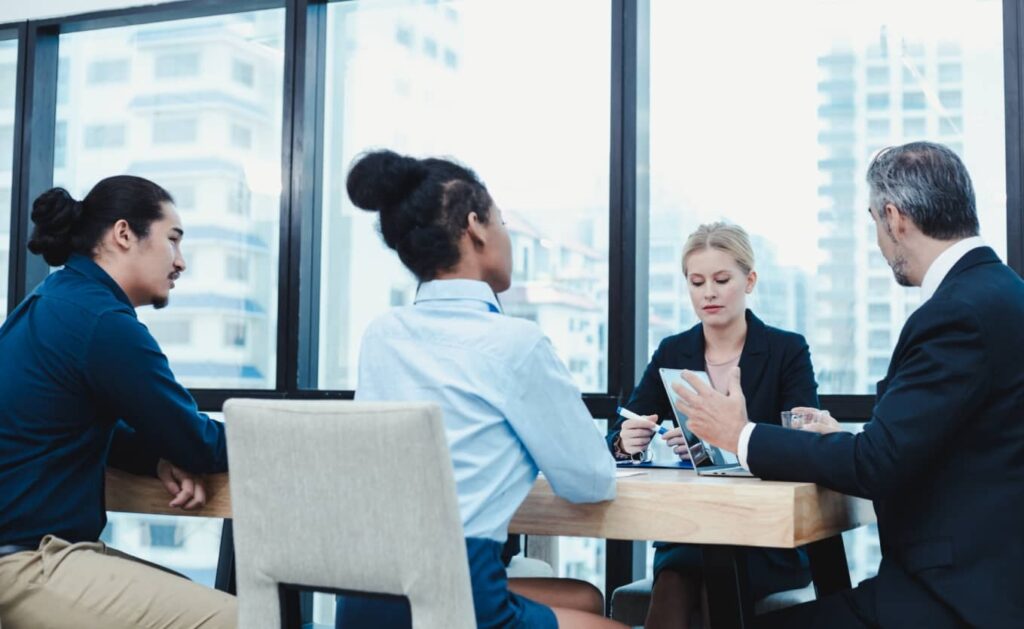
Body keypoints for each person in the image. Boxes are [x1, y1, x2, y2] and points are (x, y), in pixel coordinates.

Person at [675, 142, 1024, 628]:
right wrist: (845, 438)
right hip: (981, 581)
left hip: (952, 598)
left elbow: (877, 466)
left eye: (874, 223)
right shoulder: (1004, 294)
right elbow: (939, 445)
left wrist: (739, 435)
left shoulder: (956, 313)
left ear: (894, 217)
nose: (880, 243)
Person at [335, 149, 625, 629]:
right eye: (503, 221)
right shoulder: (516, 343)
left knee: (584, 599)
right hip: (458, 602)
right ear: (476, 226)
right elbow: (591, 481)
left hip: (370, 595)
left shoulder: (382, 335)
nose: (507, 236)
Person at [0, 176, 234, 628]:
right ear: (124, 234)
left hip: (34, 552)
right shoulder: (102, 321)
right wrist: (282, 441)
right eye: (173, 240)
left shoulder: (53, 301)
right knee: (254, 621)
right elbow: (198, 444)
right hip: (25, 563)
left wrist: (157, 457)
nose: (180, 262)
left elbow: (63, 425)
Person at [607, 222, 817, 629]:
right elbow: (627, 425)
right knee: (675, 577)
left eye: (722, 280)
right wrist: (627, 442)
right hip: (692, 528)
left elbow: (803, 442)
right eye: (697, 281)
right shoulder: (673, 350)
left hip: (763, 534)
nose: (709, 293)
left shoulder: (786, 350)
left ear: (749, 280)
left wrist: (732, 440)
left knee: (704, 582)